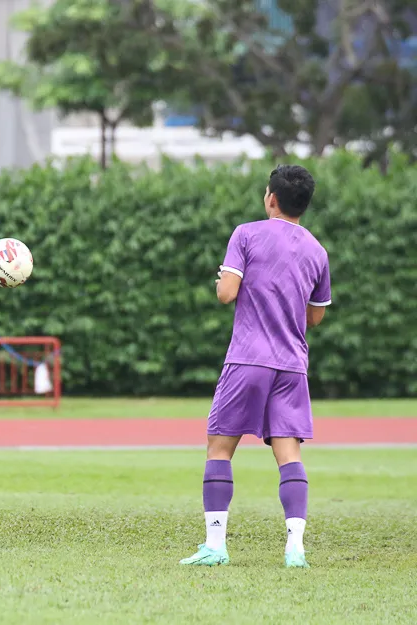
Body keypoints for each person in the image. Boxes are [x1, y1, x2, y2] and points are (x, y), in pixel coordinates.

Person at [180, 165, 331, 569]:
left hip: (248, 358)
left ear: (271, 199)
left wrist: (223, 282)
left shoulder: (246, 234)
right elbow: (314, 318)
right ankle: (295, 548)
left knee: (219, 447)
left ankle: (215, 546)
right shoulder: (317, 251)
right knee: (289, 454)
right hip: (292, 365)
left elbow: (226, 294)